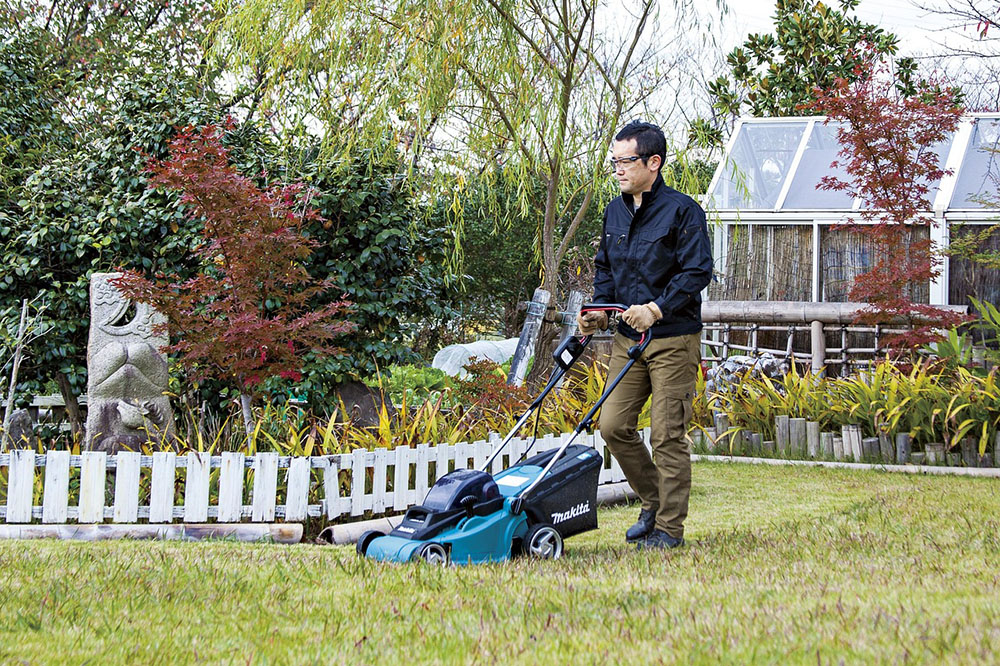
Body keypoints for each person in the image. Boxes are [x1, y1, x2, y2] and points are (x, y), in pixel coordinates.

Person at [576, 120, 713, 550]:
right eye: (613, 161)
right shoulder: (614, 211)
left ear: (653, 162)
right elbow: (606, 268)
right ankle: (653, 500)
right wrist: (599, 309)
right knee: (613, 425)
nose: (617, 169)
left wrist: (656, 308)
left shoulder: (683, 211)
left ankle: (670, 529)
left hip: (673, 338)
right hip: (626, 341)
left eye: (625, 161)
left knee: (667, 434)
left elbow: (697, 271)